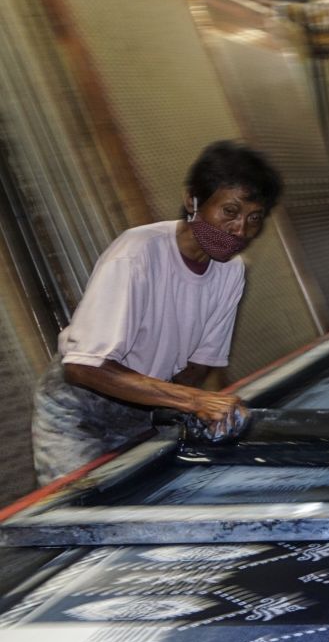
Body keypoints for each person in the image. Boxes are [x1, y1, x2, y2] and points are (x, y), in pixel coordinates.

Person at [31, 140, 283, 484]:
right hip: (80, 412)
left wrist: (183, 407)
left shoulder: (231, 271)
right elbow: (82, 367)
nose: (240, 230)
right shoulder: (138, 253)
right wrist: (193, 401)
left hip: (142, 407)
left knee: (142, 493)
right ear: (192, 200)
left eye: (254, 218)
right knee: (82, 506)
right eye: (230, 211)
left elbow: (199, 363)